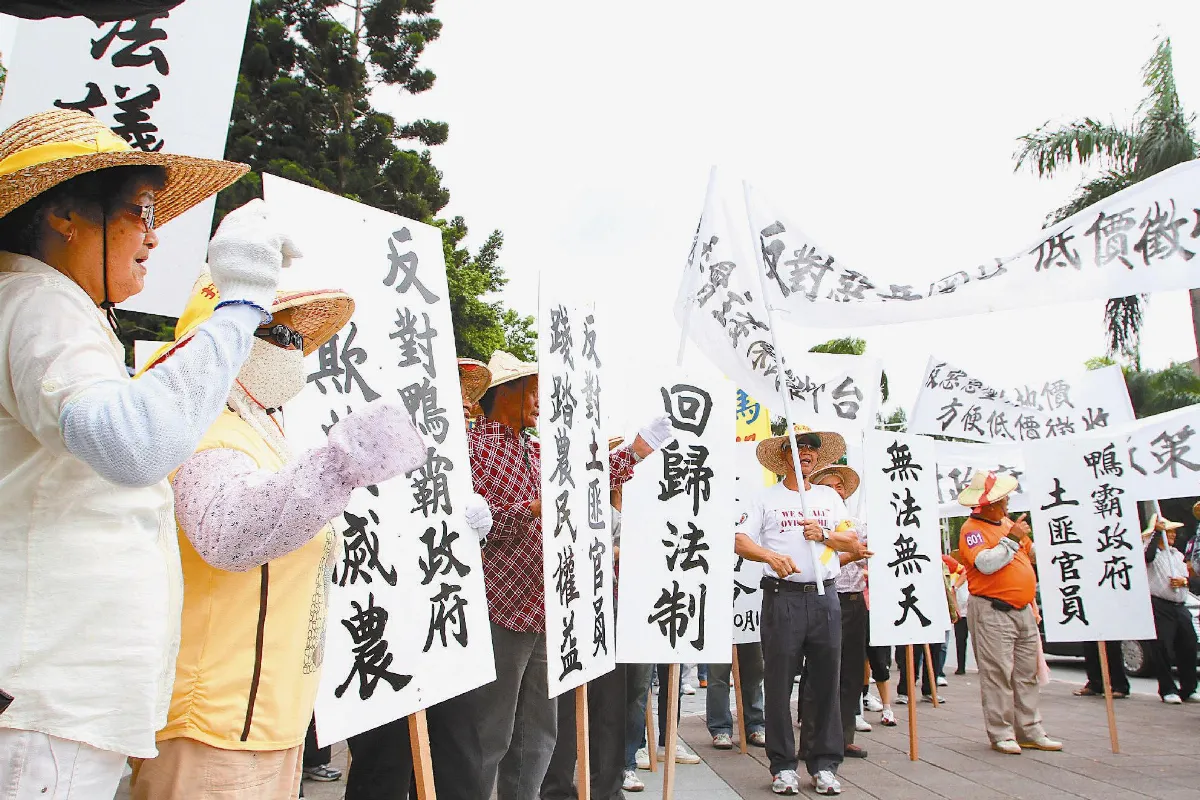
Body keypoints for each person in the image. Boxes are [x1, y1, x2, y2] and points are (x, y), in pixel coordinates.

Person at [0, 108, 284, 798]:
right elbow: (132, 443)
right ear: (65, 214)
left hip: (60, 703)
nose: (155, 239)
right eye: (142, 211)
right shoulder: (38, 300)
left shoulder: (53, 308)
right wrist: (241, 306)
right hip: (46, 704)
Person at [126, 272, 427, 799]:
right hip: (215, 722)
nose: (294, 352)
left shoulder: (264, 435)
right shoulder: (207, 431)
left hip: (269, 718)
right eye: (279, 335)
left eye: (297, 340)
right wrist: (341, 463)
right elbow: (228, 532)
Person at [464, 351, 673, 800]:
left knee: (539, 729)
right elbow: (472, 526)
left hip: (548, 605)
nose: (540, 399)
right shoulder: (470, 450)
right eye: (531, 388)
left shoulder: (538, 448)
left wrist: (636, 450)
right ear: (503, 392)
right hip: (500, 604)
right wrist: (531, 510)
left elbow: (586, 484)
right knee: (491, 730)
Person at [341, 358, 497, 800]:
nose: (464, 405)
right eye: (452, 392)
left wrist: (473, 534)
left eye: (465, 395)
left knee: (458, 756)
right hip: (381, 620)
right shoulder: (372, 445)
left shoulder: (463, 457)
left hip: (447, 625)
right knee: (384, 761)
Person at [734, 426, 870, 796]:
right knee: (778, 683)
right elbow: (739, 539)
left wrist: (822, 535)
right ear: (784, 457)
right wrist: (769, 556)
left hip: (826, 597)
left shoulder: (828, 498)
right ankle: (782, 766)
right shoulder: (765, 499)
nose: (806, 452)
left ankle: (825, 763)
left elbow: (851, 541)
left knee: (827, 680)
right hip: (782, 598)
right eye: (798, 447)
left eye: (811, 448)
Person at [958, 471, 1061, 755]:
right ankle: (1001, 732)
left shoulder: (1006, 523)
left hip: (1022, 609)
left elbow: (1030, 555)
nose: (1008, 504)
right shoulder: (972, 530)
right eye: (1004, 499)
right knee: (997, 674)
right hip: (992, 609)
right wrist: (1012, 539)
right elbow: (985, 564)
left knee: (1026, 673)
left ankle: (1029, 729)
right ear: (990, 503)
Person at [810, 464, 870, 758]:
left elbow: (866, 553)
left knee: (852, 671)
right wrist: (846, 554)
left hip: (855, 601)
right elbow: (828, 562)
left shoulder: (857, 524)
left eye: (840, 486)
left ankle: (845, 735)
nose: (837, 490)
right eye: (829, 485)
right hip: (824, 599)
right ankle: (813, 738)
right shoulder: (812, 520)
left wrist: (851, 552)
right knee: (820, 671)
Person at [1143, 515, 1199, 704]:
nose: (1173, 535)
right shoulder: (1150, 552)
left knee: (1189, 646)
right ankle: (1167, 689)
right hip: (1160, 605)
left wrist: (1184, 582)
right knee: (1162, 648)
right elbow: (1148, 556)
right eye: (1169, 531)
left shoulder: (1177, 555)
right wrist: (1157, 532)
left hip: (1180, 605)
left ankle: (1189, 688)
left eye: (1173, 531)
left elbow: (1190, 579)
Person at [705, 644, 766, 750]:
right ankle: (720, 728)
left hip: (751, 630)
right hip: (719, 629)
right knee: (717, 676)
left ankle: (755, 724)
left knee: (754, 673)